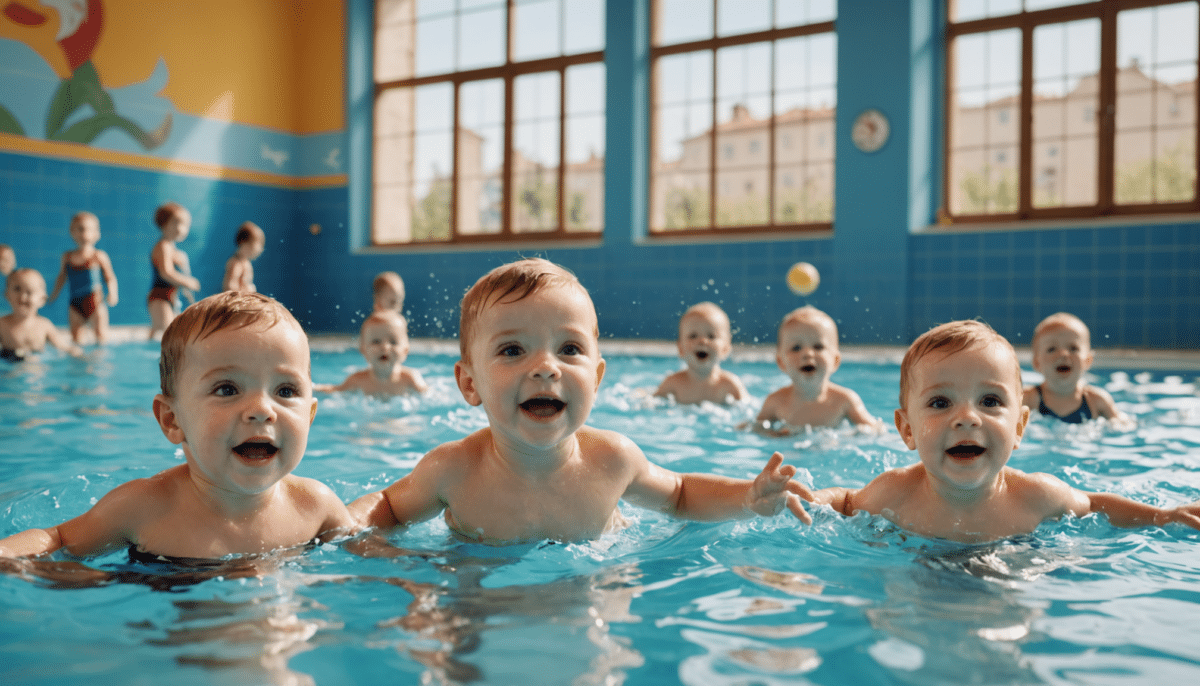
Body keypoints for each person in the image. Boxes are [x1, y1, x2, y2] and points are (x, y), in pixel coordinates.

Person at [349, 258, 813, 544]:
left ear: (597, 376)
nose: (547, 367)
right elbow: (388, 507)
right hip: (480, 597)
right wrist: (341, 522)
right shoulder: (452, 470)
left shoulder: (612, 459)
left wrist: (748, 496)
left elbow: (680, 495)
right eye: (513, 350)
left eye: (569, 349)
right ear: (469, 385)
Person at [0, 291, 357, 560]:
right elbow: (58, 541)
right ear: (172, 420)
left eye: (285, 390)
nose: (262, 410)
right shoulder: (144, 508)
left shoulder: (316, 507)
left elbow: (371, 560)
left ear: (309, 416)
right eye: (227, 389)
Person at [811, 320, 1200, 543]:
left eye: (990, 402)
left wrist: (1161, 515)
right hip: (920, 575)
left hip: (1011, 570)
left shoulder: (1036, 496)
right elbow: (845, 501)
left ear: (1019, 427)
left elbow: (1094, 505)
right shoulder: (895, 492)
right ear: (907, 430)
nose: (967, 418)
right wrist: (809, 499)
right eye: (941, 403)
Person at [753, 306, 883, 435]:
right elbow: (755, 429)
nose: (808, 353)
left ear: (835, 361)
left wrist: (848, 436)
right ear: (781, 362)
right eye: (796, 348)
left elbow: (874, 429)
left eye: (818, 347)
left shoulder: (844, 401)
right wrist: (776, 436)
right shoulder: (775, 402)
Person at [1022, 312, 1129, 425]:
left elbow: (1122, 426)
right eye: (1051, 349)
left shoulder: (1097, 401)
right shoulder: (1029, 399)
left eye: (1073, 348)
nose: (1063, 354)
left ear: (1087, 361)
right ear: (1037, 363)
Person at [315, 310, 427, 396]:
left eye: (393, 342)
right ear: (363, 350)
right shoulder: (357, 380)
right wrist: (313, 389)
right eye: (376, 341)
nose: (384, 347)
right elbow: (334, 390)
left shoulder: (410, 379)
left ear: (405, 350)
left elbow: (428, 395)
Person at [654, 302, 748, 405]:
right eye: (693, 336)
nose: (702, 341)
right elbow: (652, 403)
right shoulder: (673, 383)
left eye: (711, 336)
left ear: (725, 349)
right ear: (680, 349)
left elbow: (747, 409)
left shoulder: (730, 384)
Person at [48, 211, 120, 345]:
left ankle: (100, 362)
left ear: (96, 233)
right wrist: (53, 295)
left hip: (95, 302)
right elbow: (61, 278)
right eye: (79, 229)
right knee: (76, 339)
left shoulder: (98, 255)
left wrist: (113, 293)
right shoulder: (67, 256)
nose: (83, 233)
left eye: (88, 229)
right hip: (75, 303)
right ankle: (79, 363)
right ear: (72, 232)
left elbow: (110, 277)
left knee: (100, 336)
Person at [0, 268, 83, 361]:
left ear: (42, 300)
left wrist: (75, 352)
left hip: (37, 365)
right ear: (7, 295)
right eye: (17, 289)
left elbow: (62, 346)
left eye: (29, 292)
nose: (23, 297)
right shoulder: (2, 324)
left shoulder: (44, 325)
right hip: (9, 364)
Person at [148, 201, 201, 341]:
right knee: (170, 335)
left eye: (185, 225)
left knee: (164, 334)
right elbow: (166, 272)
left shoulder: (179, 253)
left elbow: (183, 284)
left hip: (172, 299)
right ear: (163, 223)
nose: (181, 228)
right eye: (176, 222)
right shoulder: (163, 246)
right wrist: (188, 281)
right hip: (159, 298)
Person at [222, 221, 265, 293]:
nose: (258, 250)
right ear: (243, 242)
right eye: (253, 245)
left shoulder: (245, 262)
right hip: (237, 301)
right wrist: (244, 292)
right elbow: (229, 285)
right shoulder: (236, 263)